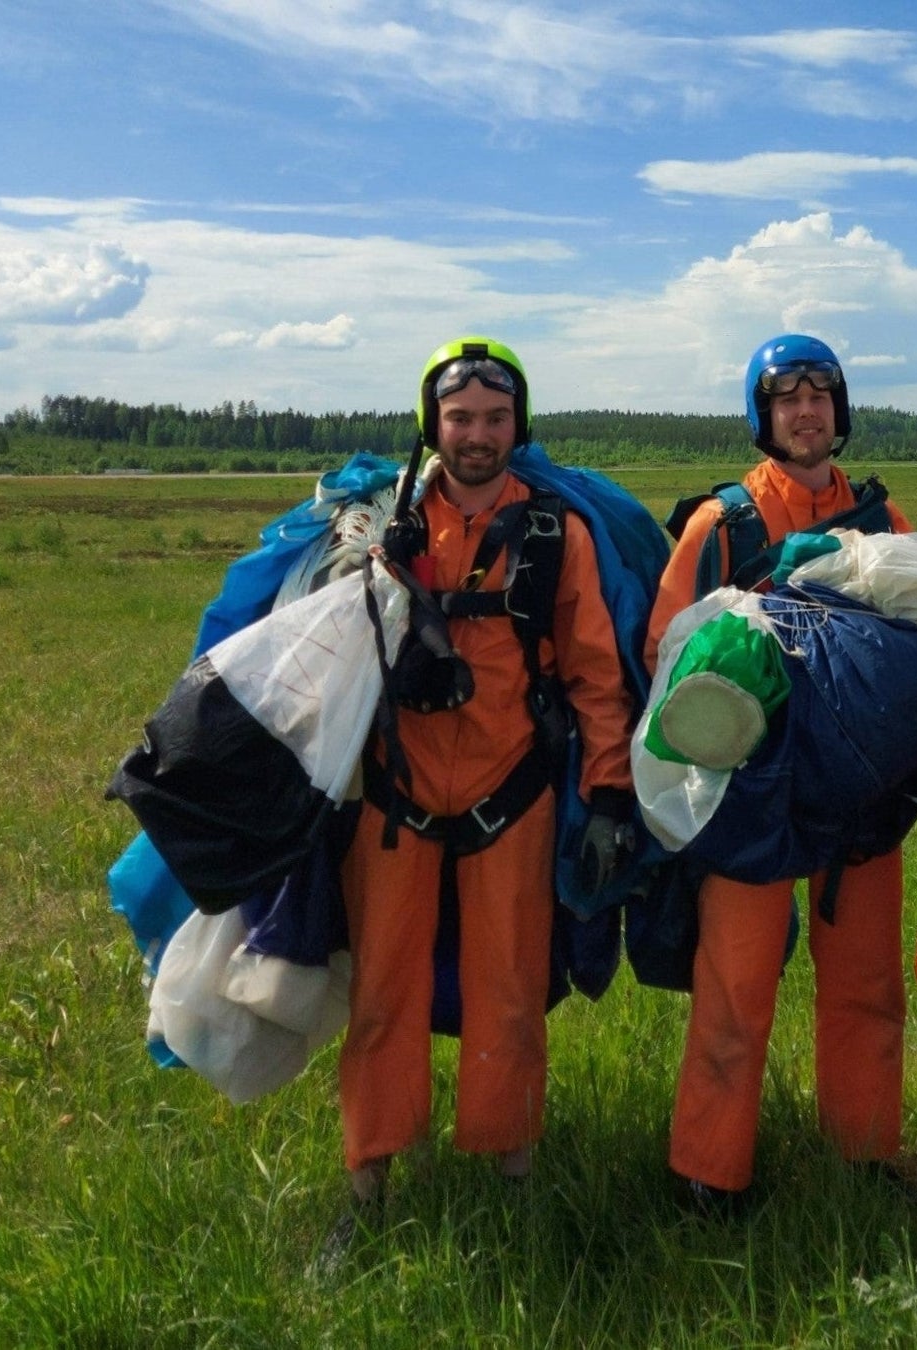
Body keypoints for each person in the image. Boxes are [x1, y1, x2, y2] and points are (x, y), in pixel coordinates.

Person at [336, 337, 639, 1213]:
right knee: (382, 993)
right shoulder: (380, 524)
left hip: (514, 792)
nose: (476, 433)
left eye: (494, 418)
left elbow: (594, 675)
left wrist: (610, 793)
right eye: (460, 416)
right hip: (394, 796)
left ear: (519, 424)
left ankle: (514, 1184)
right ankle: (369, 1184)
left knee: (509, 996)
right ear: (432, 422)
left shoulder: (555, 530)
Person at [647, 334, 912, 1213]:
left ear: (840, 411)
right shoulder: (721, 527)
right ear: (764, 417)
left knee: (870, 986)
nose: (806, 412)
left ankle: (864, 1161)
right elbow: (665, 648)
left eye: (819, 396)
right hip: (752, 794)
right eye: (787, 398)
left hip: (857, 789)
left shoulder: (883, 522)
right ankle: (709, 1176)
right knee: (735, 987)